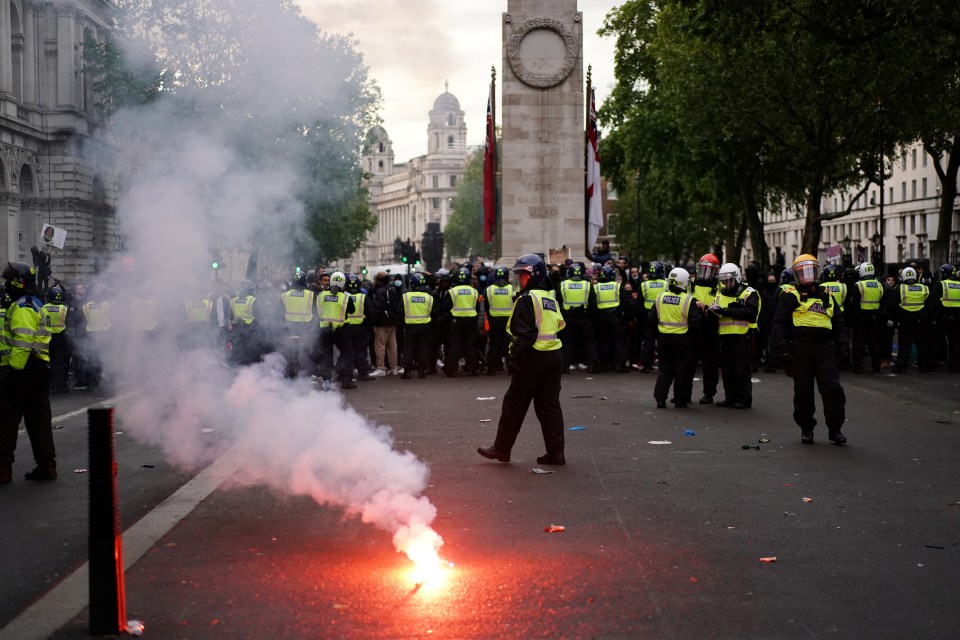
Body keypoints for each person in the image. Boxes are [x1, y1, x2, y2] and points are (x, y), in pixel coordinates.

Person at [478, 254, 567, 465]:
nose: (519, 278)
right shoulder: (549, 298)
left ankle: (501, 449)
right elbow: (560, 325)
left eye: (523, 274)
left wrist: (515, 359)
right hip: (553, 356)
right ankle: (556, 453)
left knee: (514, 404)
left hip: (532, 357)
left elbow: (523, 334)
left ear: (533, 275)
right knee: (549, 406)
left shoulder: (527, 299)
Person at [771, 254, 849, 445]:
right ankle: (807, 429)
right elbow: (779, 325)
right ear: (796, 275)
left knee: (833, 390)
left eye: (810, 271)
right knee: (803, 393)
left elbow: (838, 322)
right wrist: (783, 351)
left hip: (824, 348)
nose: (807, 277)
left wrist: (844, 347)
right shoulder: (790, 295)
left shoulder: (827, 295)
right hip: (801, 348)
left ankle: (835, 429)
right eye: (802, 273)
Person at [0, 263, 57, 483]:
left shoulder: (22, 307)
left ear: (18, 283)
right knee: (39, 419)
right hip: (39, 369)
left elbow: (22, 344)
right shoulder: (35, 303)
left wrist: (13, 372)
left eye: (8, 281)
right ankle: (47, 465)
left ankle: (3, 469)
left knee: (7, 420)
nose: (6, 285)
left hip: (23, 369)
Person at [649, 268, 701, 408]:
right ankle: (680, 400)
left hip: (663, 338)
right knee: (681, 370)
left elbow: (651, 318)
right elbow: (695, 323)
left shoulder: (660, 297)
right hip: (682, 340)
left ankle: (660, 399)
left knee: (665, 369)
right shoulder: (689, 300)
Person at [709, 263, 759, 408]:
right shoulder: (720, 293)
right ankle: (730, 397)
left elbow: (750, 312)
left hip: (742, 336)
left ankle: (744, 399)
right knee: (727, 369)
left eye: (729, 280)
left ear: (737, 279)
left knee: (741, 369)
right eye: (724, 281)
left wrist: (727, 311)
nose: (726, 284)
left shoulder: (749, 292)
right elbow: (717, 312)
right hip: (725, 336)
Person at [315, 271, 356, 389]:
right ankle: (346, 380)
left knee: (326, 356)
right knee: (347, 354)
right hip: (341, 330)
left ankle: (326, 383)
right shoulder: (345, 297)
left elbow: (317, 310)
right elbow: (352, 311)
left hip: (325, 330)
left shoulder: (321, 295)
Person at [558, 262, 600, 372]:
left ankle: (564, 366)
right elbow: (593, 303)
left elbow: (557, 301)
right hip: (583, 316)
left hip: (568, 317)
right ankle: (593, 365)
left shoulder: (563, 284)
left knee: (568, 342)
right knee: (589, 341)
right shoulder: (587, 284)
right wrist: (592, 318)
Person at [889, 266, 930, 373]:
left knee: (904, 344)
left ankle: (901, 365)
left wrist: (894, 317)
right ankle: (924, 366)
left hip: (905, 320)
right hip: (920, 320)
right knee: (921, 344)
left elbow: (892, 305)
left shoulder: (900, 288)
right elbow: (929, 304)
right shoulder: (924, 288)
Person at [692, 253, 721, 403]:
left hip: (711, 326)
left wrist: (711, 308)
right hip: (693, 326)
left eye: (709, 270)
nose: (705, 273)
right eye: (703, 269)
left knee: (710, 363)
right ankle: (683, 393)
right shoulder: (691, 282)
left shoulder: (719, 286)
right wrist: (695, 302)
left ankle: (709, 393)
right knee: (689, 362)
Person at [441, 268, 480, 377]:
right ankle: (471, 369)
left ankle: (452, 369)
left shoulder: (452, 291)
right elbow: (476, 307)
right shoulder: (474, 291)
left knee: (455, 345)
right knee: (470, 345)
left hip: (456, 321)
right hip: (471, 321)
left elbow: (445, 307)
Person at [848, 262, 885, 374]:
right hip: (875, 317)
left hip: (861, 318)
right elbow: (882, 301)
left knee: (858, 344)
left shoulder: (858, 285)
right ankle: (876, 367)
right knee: (874, 343)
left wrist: (854, 319)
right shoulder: (878, 284)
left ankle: (857, 367)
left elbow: (854, 304)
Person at [399, 272, 436, 378]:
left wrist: (401, 325)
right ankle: (421, 372)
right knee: (422, 349)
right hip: (425, 326)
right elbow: (434, 312)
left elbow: (400, 312)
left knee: (409, 349)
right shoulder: (429, 297)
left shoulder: (406, 297)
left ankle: (407, 372)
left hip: (410, 326)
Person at [279, 270, 316, 378]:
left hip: (289, 327)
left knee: (288, 350)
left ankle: (289, 374)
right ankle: (307, 374)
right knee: (307, 351)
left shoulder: (285, 295)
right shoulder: (311, 295)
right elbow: (316, 311)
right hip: (306, 327)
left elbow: (279, 312)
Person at [594, 265, 628, 373]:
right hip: (615, 316)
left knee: (603, 341)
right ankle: (619, 365)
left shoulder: (596, 287)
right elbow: (626, 301)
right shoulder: (617, 286)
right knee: (619, 341)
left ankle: (605, 365)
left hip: (601, 317)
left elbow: (592, 303)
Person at [928, 263, 960, 372]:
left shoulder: (940, 284)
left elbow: (932, 301)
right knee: (955, 342)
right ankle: (955, 365)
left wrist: (932, 316)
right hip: (957, 318)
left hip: (943, 317)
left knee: (936, 341)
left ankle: (932, 364)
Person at [370, 271, 401, 376]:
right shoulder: (392, 290)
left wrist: (373, 322)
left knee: (380, 345)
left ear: (379, 280)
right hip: (392, 322)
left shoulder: (379, 292)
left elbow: (378, 308)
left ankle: (381, 368)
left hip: (381, 322)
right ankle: (394, 368)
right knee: (392, 345)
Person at [484, 267, 514, 375]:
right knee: (509, 345)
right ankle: (511, 368)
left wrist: (491, 318)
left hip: (494, 321)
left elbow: (486, 307)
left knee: (494, 346)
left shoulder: (489, 290)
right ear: (507, 276)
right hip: (509, 321)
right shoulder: (513, 289)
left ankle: (491, 369)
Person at [639, 261, 668, 372]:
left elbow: (640, 303)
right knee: (663, 341)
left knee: (648, 341)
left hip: (648, 315)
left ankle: (647, 365)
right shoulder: (666, 284)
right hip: (663, 315)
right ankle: (664, 364)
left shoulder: (644, 285)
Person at [344, 273, 374, 381]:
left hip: (346, 328)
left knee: (346, 353)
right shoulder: (363, 297)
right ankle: (363, 374)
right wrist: (370, 328)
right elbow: (370, 313)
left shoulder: (343, 297)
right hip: (360, 328)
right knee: (361, 352)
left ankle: (344, 374)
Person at [42, 284, 70, 394]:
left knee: (48, 362)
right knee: (60, 363)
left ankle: (49, 384)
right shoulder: (65, 308)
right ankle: (59, 385)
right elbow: (69, 324)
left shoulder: (43, 307)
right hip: (61, 338)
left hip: (46, 338)